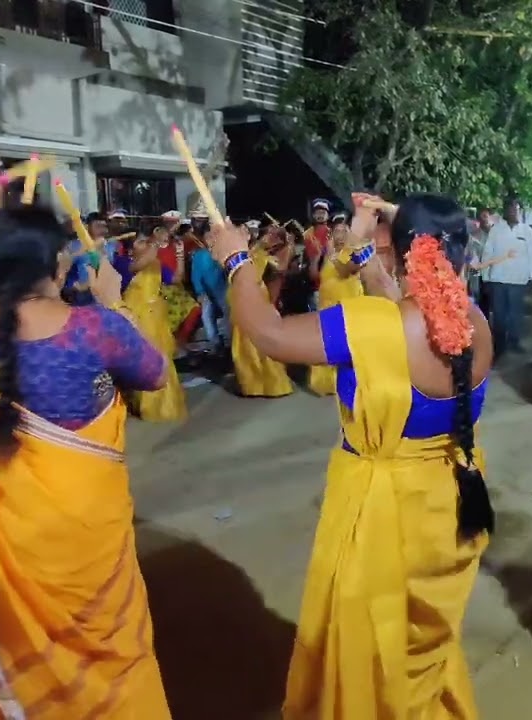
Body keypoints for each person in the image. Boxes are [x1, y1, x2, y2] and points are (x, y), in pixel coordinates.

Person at [214, 191, 493, 719]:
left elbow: (269, 333)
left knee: (374, 638)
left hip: (386, 514)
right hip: (448, 501)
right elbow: (404, 302)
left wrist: (235, 260)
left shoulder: (371, 324)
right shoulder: (474, 322)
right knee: (421, 643)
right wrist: (385, 235)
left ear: (399, 246)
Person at [0, 205, 172, 719]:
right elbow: (156, 374)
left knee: (23, 640)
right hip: (87, 533)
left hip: (4, 534)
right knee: (110, 645)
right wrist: (114, 303)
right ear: (56, 263)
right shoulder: (95, 327)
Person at [122, 222, 188, 420]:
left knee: (163, 356)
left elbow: (176, 279)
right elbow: (143, 261)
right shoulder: (124, 263)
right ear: (131, 248)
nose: (146, 244)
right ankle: (146, 405)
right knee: (145, 358)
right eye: (141, 242)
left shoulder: (156, 263)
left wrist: (179, 255)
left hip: (157, 315)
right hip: (137, 315)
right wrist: (158, 240)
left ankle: (163, 403)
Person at [228, 225, 294, 398]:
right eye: (268, 234)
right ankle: (252, 385)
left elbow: (281, 271)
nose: (269, 238)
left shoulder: (271, 257)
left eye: (274, 236)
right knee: (243, 343)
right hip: (240, 296)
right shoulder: (244, 252)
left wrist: (289, 247)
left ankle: (272, 383)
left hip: (258, 297)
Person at [306, 214, 364, 396]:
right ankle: (327, 382)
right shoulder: (326, 253)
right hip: (326, 305)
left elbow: (344, 270)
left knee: (348, 343)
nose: (339, 235)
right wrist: (318, 256)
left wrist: (331, 254)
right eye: (336, 231)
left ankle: (352, 381)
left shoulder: (354, 253)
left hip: (348, 305)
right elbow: (314, 276)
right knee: (327, 343)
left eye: (342, 231)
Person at [481, 200, 532, 358]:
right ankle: (499, 345)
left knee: (516, 313)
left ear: (520, 211)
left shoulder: (527, 231)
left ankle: (514, 341)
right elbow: (488, 253)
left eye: (516, 209)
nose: (513, 211)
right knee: (499, 314)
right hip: (498, 279)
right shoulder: (496, 230)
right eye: (510, 209)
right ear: (505, 211)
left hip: (519, 280)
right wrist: (485, 277)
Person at [190, 222, 229, 352]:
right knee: (206, 316)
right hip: (206, 290)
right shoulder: (199, 255)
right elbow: (195, 275)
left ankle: (233, 341)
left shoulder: (224, 252)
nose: (210, 240)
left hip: (223, 289)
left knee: (229, 314)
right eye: (207, 238)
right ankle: (215, 343)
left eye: (212, 237)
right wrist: (199, 292)